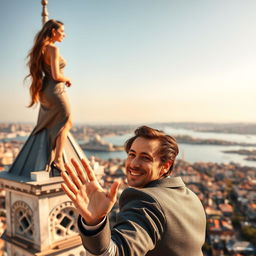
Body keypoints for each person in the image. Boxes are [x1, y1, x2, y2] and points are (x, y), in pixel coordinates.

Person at [62, 126, 206, 256]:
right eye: (132, 154)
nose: (134, 164)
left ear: (165, 166)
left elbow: (115, 253)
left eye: (145, 158)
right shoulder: (191, 197)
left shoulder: (146, 200)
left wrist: (94, 223)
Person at [25, 19, 72, 174]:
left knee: (63, 122)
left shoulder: (41, 49)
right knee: (66, 121)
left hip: (47, 90)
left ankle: (54, 156)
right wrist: (68, 79)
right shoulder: (53, 49)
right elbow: (56, 74)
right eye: (62, 31)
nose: (64, 35)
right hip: (56, 91)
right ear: (53, 31)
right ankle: (58, 159)